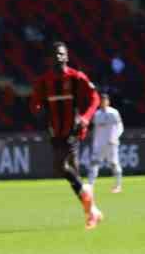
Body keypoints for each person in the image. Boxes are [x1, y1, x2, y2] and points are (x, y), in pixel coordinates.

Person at [30, 42, 103, 229]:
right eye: (55, 54)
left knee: (59, 165)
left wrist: (85, 118)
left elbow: (95, 98)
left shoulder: (76, 77)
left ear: (67, 57)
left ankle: (88, 201)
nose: (59, 57)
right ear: (49, 58)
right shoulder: (44, 81)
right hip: (55, 131)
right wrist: (37, 109)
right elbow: (35, 102)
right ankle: (92, 211)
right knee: (73, 173)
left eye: (61, 54)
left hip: (73, 129)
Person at [86, 92, 125, 193]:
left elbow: (120, 127)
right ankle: (90, 185)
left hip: (111, 143)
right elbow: (95, 130)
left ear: (108, 101)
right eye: (101, 100)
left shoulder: (113, 112)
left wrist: (115, 138)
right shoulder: (97, 114)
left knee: (114, 164)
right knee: (94, 163)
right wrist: (94, 142)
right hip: (99, 144)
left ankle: (118, 186)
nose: (103, 102)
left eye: (105, 100)